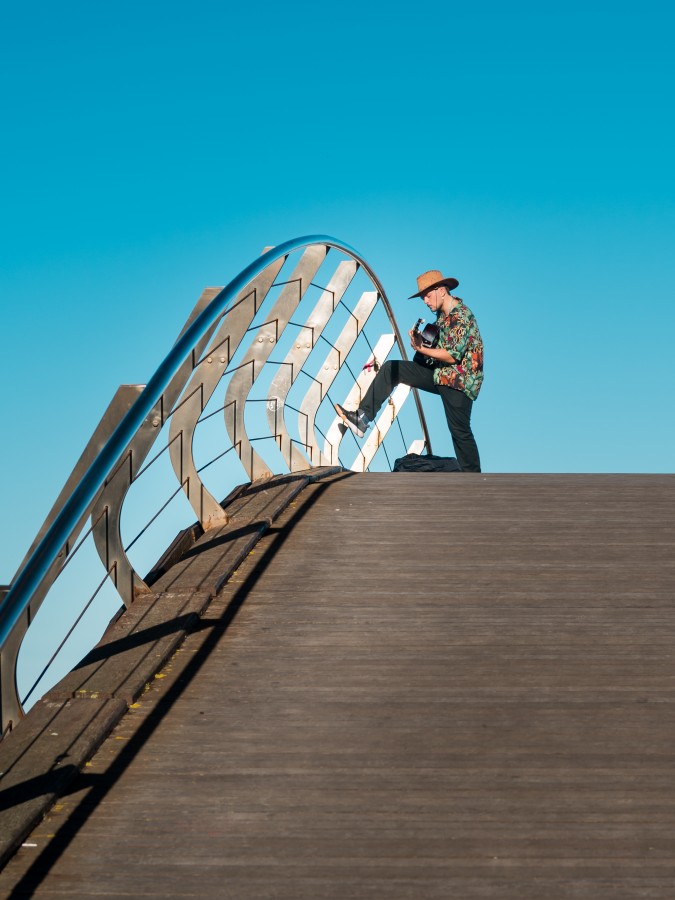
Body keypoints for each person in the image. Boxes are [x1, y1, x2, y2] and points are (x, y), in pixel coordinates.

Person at [335, 269, 483, 472]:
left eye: (428, 295)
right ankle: (362, 418)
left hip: (460, 381)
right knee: (392, 369)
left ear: (441, 290)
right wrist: (420, 344)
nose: (425, 301)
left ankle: (475, 482)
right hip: (440, 376)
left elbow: (452, 355)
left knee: (460, 431)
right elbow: (432, 354)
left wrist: (422, 349)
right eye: (422, 297)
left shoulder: (462, 315)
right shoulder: (441, 317)